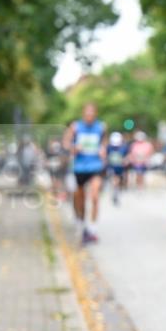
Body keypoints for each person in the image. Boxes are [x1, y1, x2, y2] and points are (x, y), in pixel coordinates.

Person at [63, 103, 107, 244]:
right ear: (83, 114)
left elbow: (104, 142)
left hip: (96, 166)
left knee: (94, 196)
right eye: (87, 113)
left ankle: (93, 229)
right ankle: (81, 222)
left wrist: (103, 149)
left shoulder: (101, 127)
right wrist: (74, 148)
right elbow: (66, 143)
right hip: (80, 167)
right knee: (80, 198)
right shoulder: (75, 127)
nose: (89, 116)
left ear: (95, 114)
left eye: (92, 113)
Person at [105, 131, 128, 205]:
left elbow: (128, 156)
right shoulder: (108, 147)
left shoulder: (124, 147)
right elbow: (105, 155)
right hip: (111, 167)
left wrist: (126, 160)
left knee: (118, 180)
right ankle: (114, 192)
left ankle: (116, 192)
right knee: (114, 180)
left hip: (120, 167)